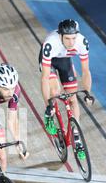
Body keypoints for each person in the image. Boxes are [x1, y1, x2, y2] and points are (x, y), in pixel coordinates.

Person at [39, 19, 94, 159]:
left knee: (72, 98)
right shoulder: (51, 43)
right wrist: (48, 103)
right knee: (55, 91)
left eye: (73, 38)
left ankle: (76, 136)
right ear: (60, 35)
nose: (71, 42)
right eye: (67, 38)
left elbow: (86, 71)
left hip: (65, 62)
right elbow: (45, 77)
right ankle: (49, 115)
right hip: (50, 62)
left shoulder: (82, 42)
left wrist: (87, 92)